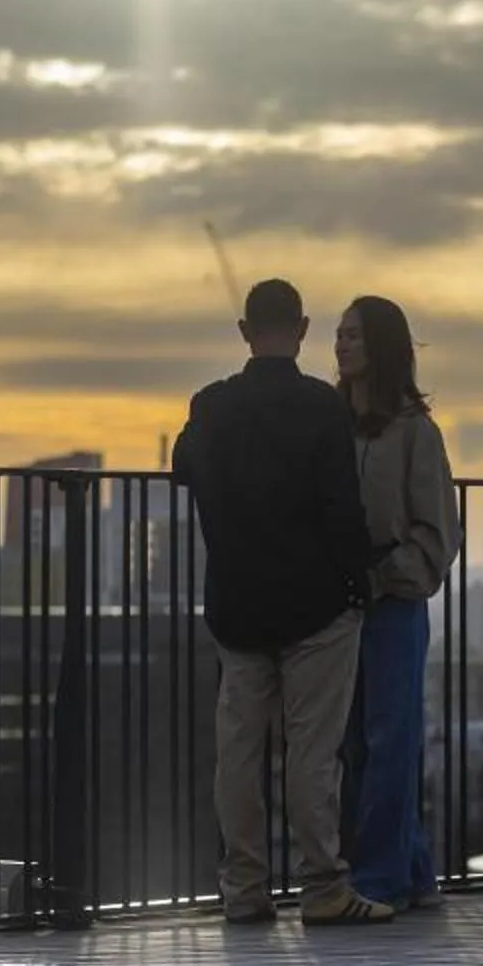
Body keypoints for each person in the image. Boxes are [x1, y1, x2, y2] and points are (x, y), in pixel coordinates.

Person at [173, 278, 395, 927]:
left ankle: (243, 888)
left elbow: (184, 467)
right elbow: (341, 508)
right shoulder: (322, 407)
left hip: (237, 605)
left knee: (239, 754)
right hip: (316, 605)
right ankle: (322, 886)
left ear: (245, 332)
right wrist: (358, 583)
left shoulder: (211, 405)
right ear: (301, 330)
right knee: (312, 753)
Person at [333, 296, 457, 916]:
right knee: (357, 741)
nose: (341, 344)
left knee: (389, 738)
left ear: (380, 345)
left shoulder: (414, 432)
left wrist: (385, 575)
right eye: (339, 334)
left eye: (354, 335)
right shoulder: (331, 425)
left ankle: (379, 880)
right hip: (340, 602)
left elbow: (437, 533)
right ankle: (411, 872)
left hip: (392, 604)